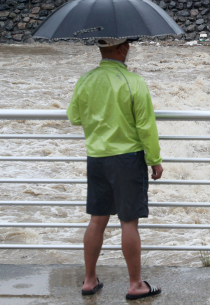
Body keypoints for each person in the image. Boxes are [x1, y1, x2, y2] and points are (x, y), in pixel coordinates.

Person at [67, 37, 163, 301]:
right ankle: (135, 284)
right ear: (122, 48)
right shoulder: (134, 82)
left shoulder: (86, 80)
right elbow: (145, 126)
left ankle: (89, 280)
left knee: (97, 219)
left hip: (96, 157)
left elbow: (74, 117)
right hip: (127, 160)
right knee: (128, 221)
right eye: (128, 44)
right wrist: (154, 159)